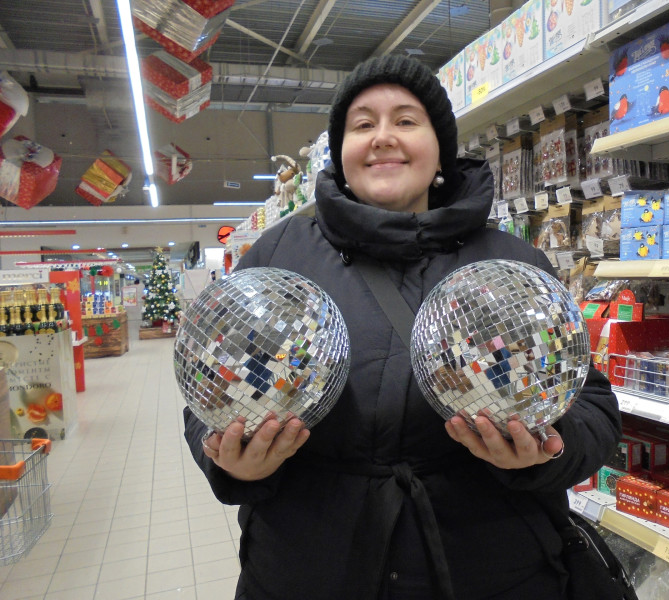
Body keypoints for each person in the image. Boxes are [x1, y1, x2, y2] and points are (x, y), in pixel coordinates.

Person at [184, 54, 622, 600]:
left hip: (491, 568)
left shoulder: (512, 264)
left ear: (440, 151)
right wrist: (232, 464)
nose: (383, 137)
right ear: (341, 153)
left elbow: (590, 404)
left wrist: (549, 450)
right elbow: (207, 393)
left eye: (406, 121)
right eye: (362, 124)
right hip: (310, 570)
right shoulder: (278, 259)